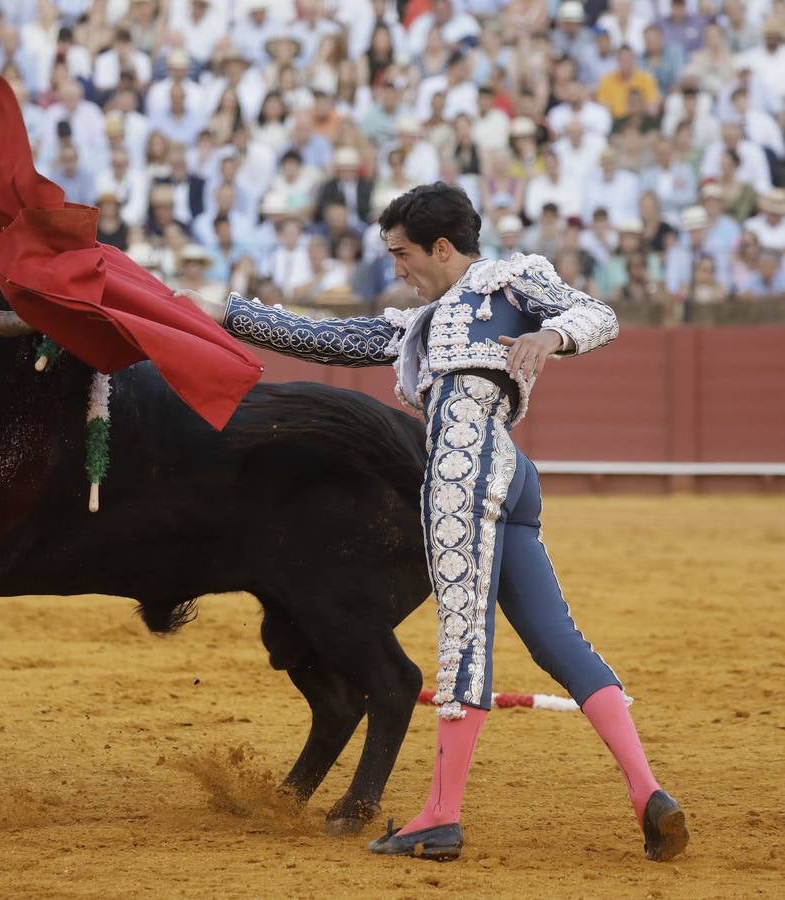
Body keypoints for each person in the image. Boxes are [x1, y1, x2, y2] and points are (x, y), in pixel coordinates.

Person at [175, 182, 688, 864]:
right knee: (558, 642)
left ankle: (440, 816)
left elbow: (598, 313)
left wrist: (550, 334)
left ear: (443, 248)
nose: (398, 269)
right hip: (511, 472)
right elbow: (321, 336)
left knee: (463, 643)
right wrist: (221, 312)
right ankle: (647, 793)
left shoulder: (514, 279)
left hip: (463, 468)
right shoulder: (415, 323)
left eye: (403, 254)